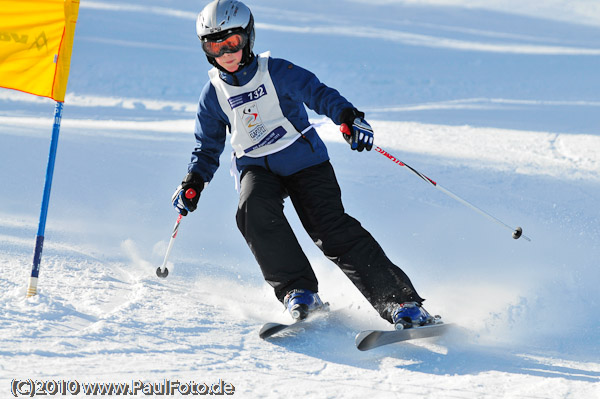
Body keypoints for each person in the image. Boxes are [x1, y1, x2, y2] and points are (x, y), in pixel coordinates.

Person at [172, 0, 435, 329]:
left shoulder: (277, 71)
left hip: (304, 160)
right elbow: (207, 145)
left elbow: (319, 93)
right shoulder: (213, 93)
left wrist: (348, 118)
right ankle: (298, 291)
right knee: (252, 210)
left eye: (232, 43)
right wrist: (194, 181)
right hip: (256, 167)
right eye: (214, 45)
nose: (225, 52)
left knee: (331, 229)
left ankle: (402, 303)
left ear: (248, 38)